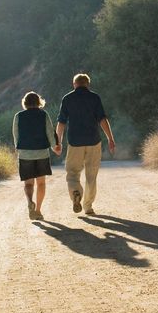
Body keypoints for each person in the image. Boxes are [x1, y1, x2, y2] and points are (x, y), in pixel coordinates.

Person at [55, 72, 115, 216]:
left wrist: (58, 142)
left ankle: (76, 192)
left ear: (74, 84)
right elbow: (102, 119)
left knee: (72, 173)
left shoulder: (67, 98)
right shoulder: (94, 97)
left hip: (75, 142)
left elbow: (61, 122)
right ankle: (88, 206)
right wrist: (110, 138)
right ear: (88, 84)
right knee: (91, 175)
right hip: (93, 141)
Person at [12, 91, 61, 220]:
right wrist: (55, 147)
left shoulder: (18, 116)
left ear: (25, 103)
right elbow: (50, 132)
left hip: (25, 154)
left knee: (28, 184)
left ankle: (30, 202)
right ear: (39, 102)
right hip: (41, 154)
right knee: (41, 184)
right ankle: (38, 210)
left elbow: (16, 135)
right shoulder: (43, 114)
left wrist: (18, 148)